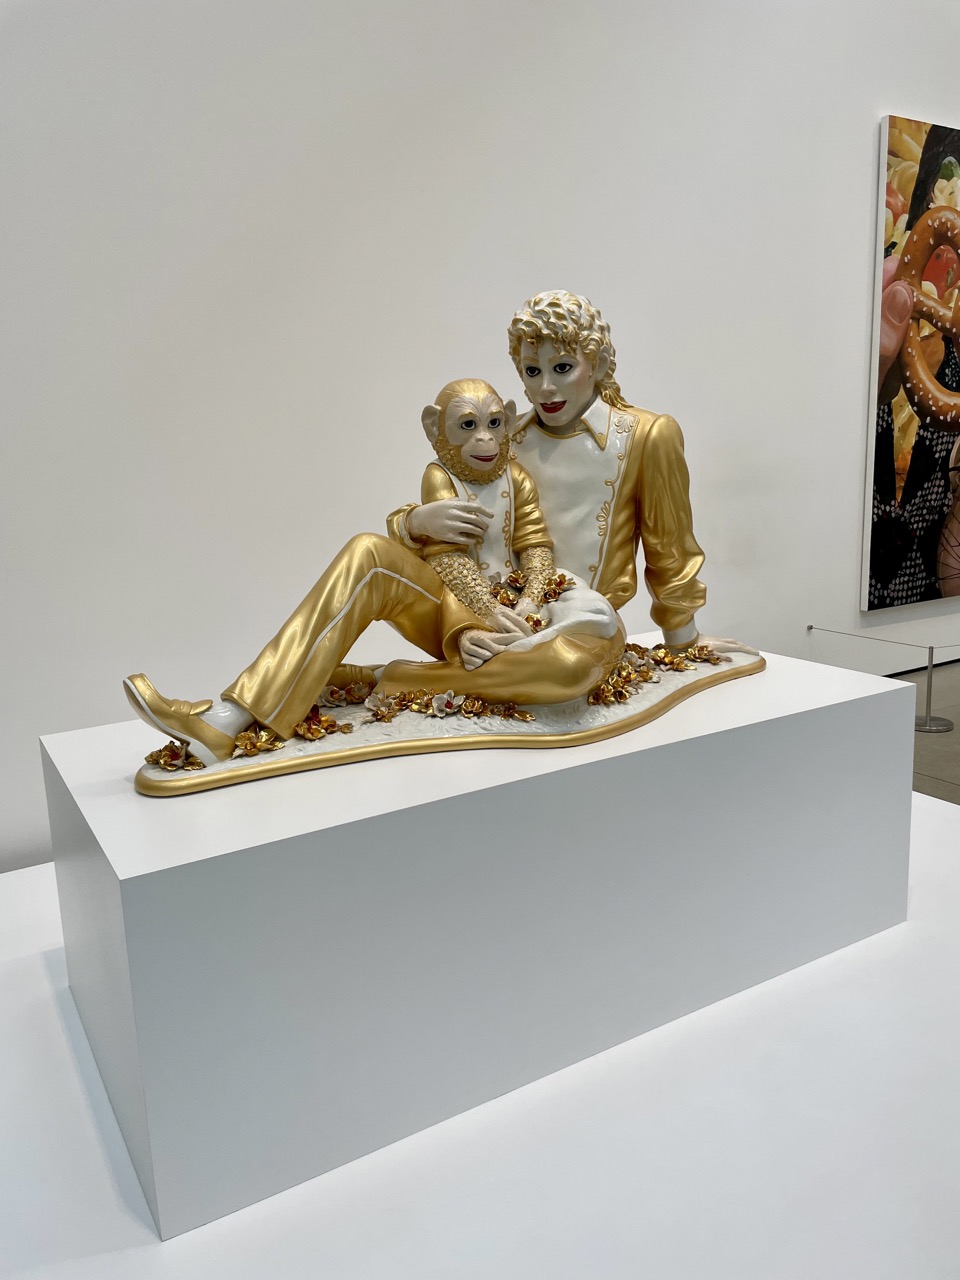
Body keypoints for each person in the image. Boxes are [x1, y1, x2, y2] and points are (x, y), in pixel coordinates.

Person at [124, 379, 623, 765]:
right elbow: (448, 561)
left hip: (524, 609)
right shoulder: (440, 477)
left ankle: (387, 680)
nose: (485, 438)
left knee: (569, 668)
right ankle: (228, 718)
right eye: (468, 426)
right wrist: (472, 614)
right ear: (436, 430)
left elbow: (535, 546)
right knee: (367, 552)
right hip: (458, 610)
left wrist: (530, 604)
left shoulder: (521, 475)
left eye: (494, 424)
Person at [391, 291, 753, 656]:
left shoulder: (645, 436)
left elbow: (669, 548)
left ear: (598, 363)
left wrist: (682, 640)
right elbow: (454, 527)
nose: (545, 388)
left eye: (562, 368)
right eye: (532, 371)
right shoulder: (503, 438)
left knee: (568, 665)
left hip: (589, 624)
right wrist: (412, 523)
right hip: (504, 617)